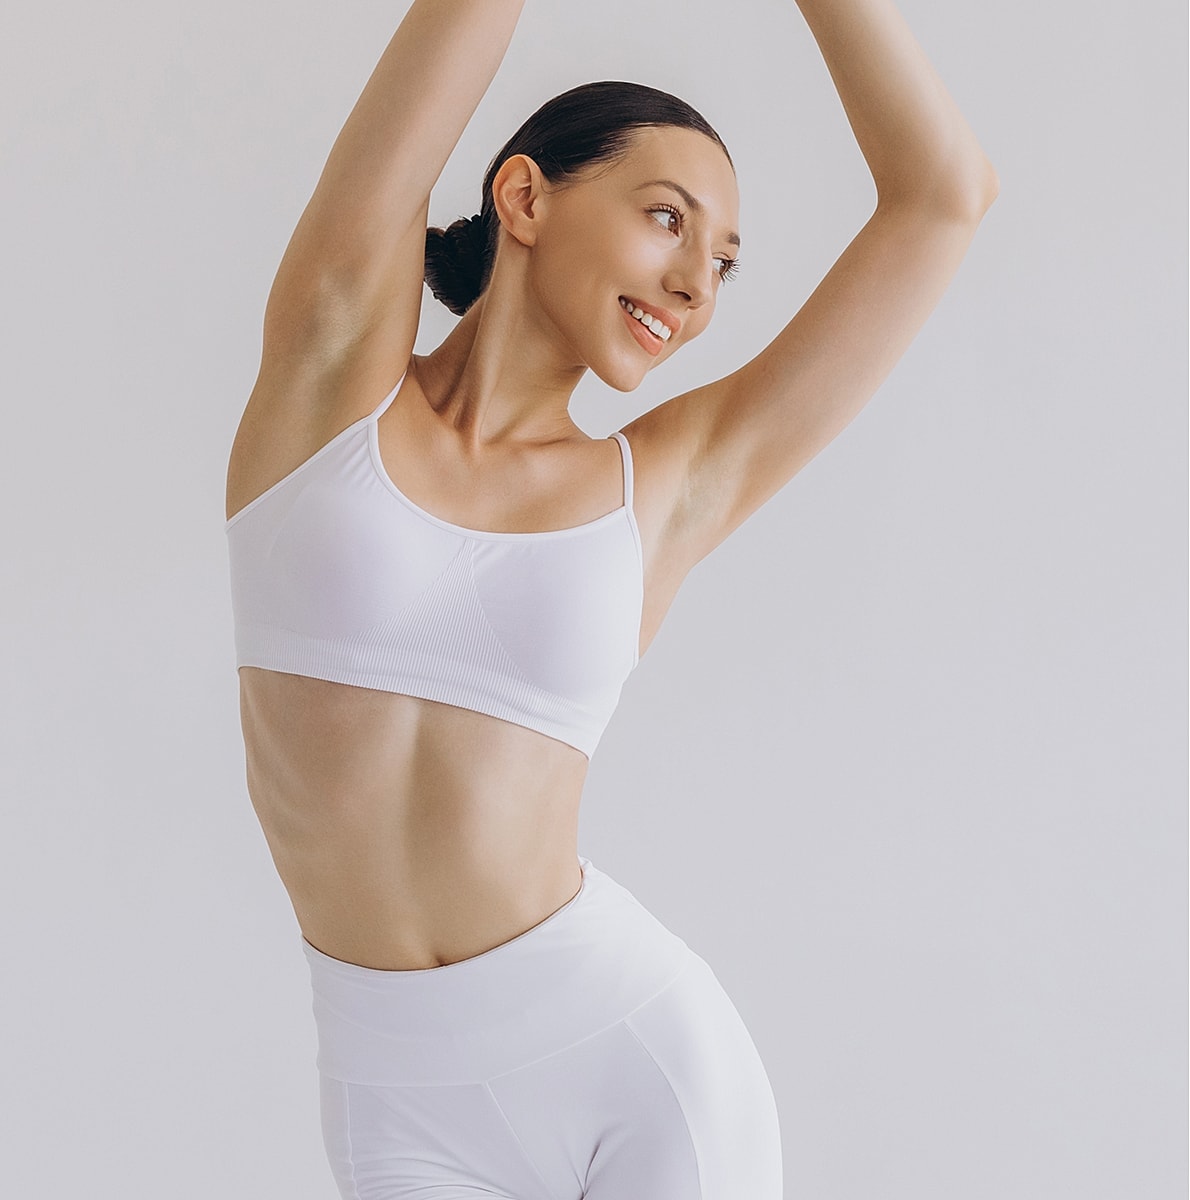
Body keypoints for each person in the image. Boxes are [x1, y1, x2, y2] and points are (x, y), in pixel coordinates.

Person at [223, 0, 998, 1194]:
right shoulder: (331, 378)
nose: (695, 283)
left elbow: (942, 195)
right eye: (666, 221)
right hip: (392, 1096)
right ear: (523, 199)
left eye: (723, 264)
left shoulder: (664, 487)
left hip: (632, 1058)